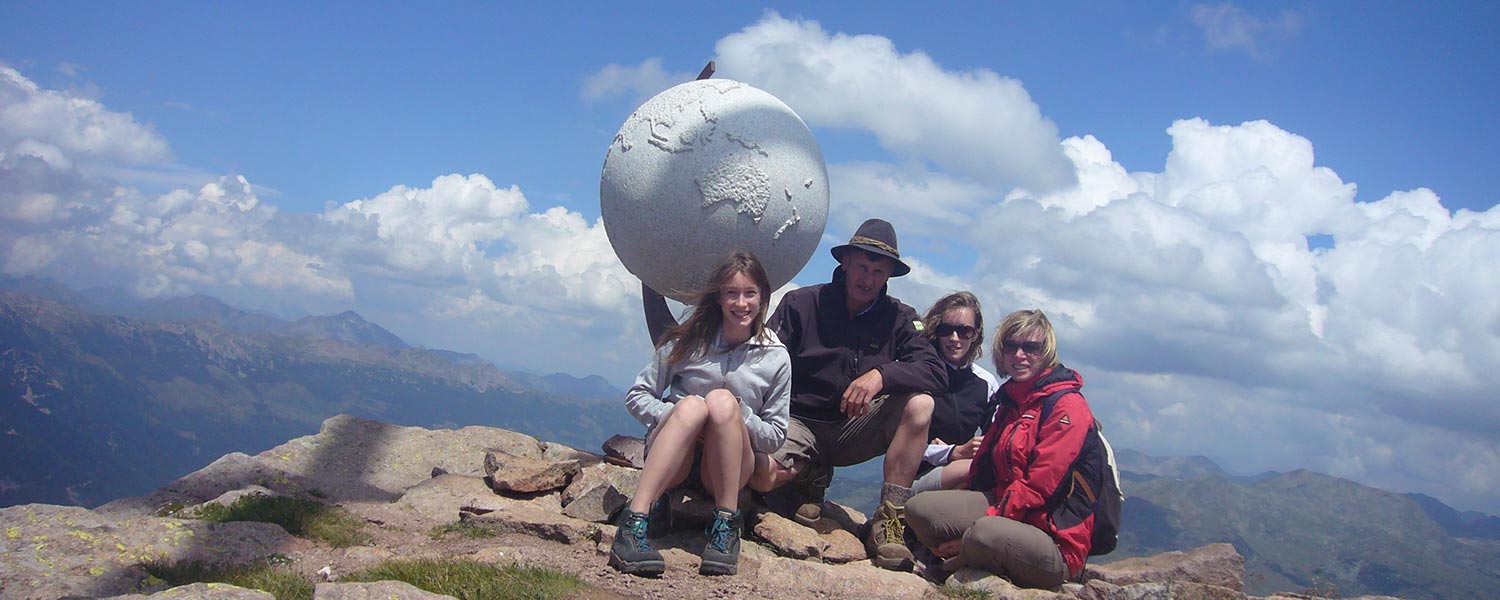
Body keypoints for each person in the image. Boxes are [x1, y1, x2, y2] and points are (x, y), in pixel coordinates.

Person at [752, 218, 946, 571]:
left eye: (877, 271)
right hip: (798, 422)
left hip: (854, 428)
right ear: (845, 262)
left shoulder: (901, 318)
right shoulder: (801, 304)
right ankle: (807, 476)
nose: (867, 279)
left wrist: (881, 376)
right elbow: (761, 363)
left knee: (921, 405)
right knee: (761, 476)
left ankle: (889, 523)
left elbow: (934, 371)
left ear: (888, 275)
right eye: (862, 266)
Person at [611, 251, 792, 577]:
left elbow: (777, 435)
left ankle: (725, 527)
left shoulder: (776, 356)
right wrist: (677, 415)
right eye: (731, 293)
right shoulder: (688, 339)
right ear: (719, 298)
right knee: (693, 405)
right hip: (677, 455)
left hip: (726, 468)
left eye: (750, 293)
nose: (741, 303)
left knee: (723, 403)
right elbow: (637, 395)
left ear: (763, 296)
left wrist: (739, 416)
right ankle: (633, 523)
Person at [905, 309, 1097, 588]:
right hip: (1007, 509)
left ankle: (956, 563)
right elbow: (985, 465)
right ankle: (977, 551)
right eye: (1012, 346)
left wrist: (968, 534)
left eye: (1031, 347)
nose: (1020, 355)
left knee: (983, 533)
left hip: (1055, 537)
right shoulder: (1011, 401)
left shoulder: (1067, 407)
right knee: (920, 509)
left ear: (1047, 352)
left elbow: (1039, 487)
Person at [909, 291, 1000, 495]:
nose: (954, 338)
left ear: (976, 334)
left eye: (964, 331)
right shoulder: (918, 374)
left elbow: (997, 438)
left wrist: (973, 448)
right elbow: (896, 443)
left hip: (962, 473)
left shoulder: (986, 384)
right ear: (935, 331)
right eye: (946, 330)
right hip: (914, 478)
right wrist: (950, 452)